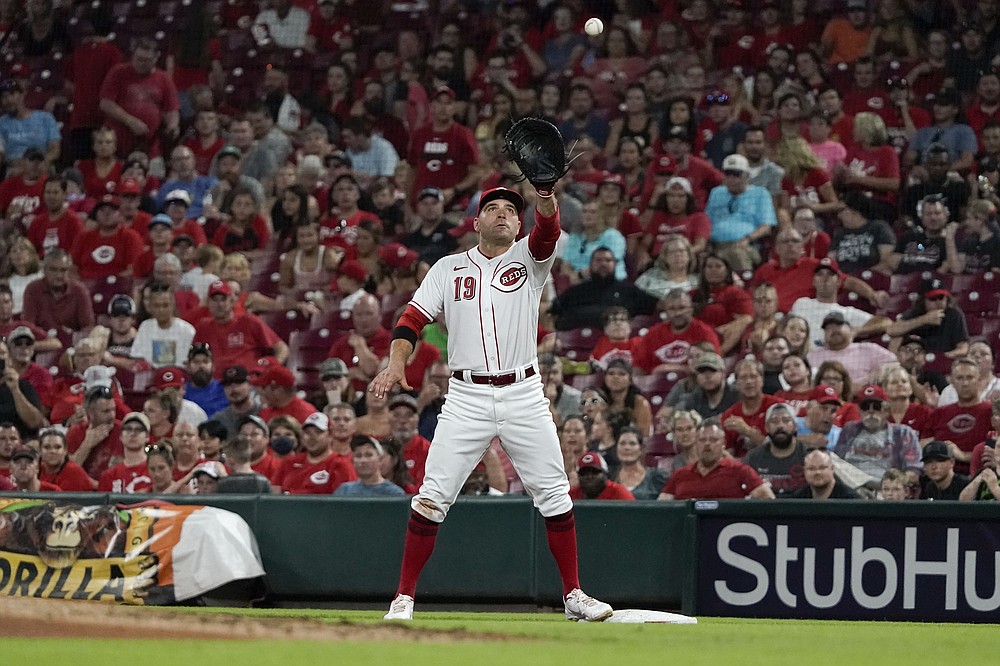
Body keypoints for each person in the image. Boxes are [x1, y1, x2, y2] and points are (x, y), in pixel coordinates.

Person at [370, 185, 613, 622]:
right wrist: (394, 364)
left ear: (519, 224)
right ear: (476, 222)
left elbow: (549, 229)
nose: (502, 214)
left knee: (555, 494)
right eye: (492, 209)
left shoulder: (530, 259)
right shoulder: (447, 268)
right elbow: (411, 318)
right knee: (431, 497)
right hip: (466, 396)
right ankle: (403, 598)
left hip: (523, 392)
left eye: (509, 210)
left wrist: (544, 195)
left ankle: (573, 594)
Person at [98, 38, 180, 157]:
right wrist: (130, 121)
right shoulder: (118, 72)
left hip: (150, 144)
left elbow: (171, 109)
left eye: (147, 60)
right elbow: (105, 103)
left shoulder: (164, 78)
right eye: (139, 59)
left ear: (155, 59)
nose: (141, 63)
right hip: (118, 141)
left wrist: (172, 127)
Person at [658, 418, 776, 500]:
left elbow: (768, 499)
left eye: (713, 440)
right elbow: (661, 507)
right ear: (696, 443)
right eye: (702, 440)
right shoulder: (680, 475)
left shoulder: (741, 471)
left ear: (723, 444)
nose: (707, 444)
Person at [548, 248, 658, 331]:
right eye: (598, 260)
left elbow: (656, 305)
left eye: (608, 260)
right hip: (576, 341)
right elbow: (552, 312)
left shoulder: (629, 289)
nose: (603, 264)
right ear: (590, 265)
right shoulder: (576, 291)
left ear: (615, 264)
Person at [193, 280, 288, 376]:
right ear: (208, 302)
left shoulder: (248, 321)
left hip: (248, 381)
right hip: (217, 384)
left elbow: (282, 348)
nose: (219, 304)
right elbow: (194, 358)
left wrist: (271, 370)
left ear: (232, 301)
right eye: (215, 300)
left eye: (223, 299)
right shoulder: (203, 326)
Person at [704, 153, 778, 272]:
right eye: (728, 174)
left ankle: (746, 286)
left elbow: (766, 227)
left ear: (747, 176)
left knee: (736, 253)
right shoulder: (716, 192)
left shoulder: (760, 193)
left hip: (746, 244)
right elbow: (706, 221)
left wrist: (747, 238)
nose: (732, 179)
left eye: (737, 175)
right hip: (715, 244)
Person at [834, 384, 923, 481]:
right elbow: (837, 463)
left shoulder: (903, 433)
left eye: (876, 407)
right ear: (859, 411)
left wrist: (893, 486)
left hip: (886, 489)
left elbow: (914, 470)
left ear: (886, 411)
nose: (871, 411)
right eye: (865, 407)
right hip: (851, 488)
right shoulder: (849, 430)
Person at [633, 289, 720, 375]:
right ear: (666, 312)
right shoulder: (653, 334)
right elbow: (639, 368)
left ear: (691, 309)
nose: (677, 313)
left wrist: (672, 368)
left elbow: (714, 366)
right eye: (672, 309)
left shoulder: (705, 332)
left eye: (682, 308)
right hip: (656, 386)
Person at [273, 412, 355, 494]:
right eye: (308, 432)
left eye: (318, 432)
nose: (312, 437)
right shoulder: (288, 463)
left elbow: (345, 501)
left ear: (330, 434)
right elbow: (274, 496)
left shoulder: (340, 465)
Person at [807, 311, 897, 387]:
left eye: (838, 325)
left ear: (850, 329)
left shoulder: (867, 349)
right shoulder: (813, 356)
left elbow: (896, 363)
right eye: (828, 328)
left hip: (865, 396)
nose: (834, 330)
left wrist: (882, 367)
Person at [721, 357, 786, 457]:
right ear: (736, 383)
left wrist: (747, 431)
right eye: (743, 377)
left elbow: (782, 447)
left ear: (762, 380)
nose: (749, 381)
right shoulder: (730, 415)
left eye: (753, 376)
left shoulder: (777, 406)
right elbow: (729, 454)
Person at [744, 402, 810, 498]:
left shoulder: (808, 455)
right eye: (774, 421)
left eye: (786, 420)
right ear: (766, 427)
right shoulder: (753, 457)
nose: (780, 425)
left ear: (795, 426)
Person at [21, 249, 94, 333]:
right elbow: (28, 325)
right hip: (42, 341)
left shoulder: (79, 290)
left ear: (69, 271)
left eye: (63, 270)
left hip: (73, 341)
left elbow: (87, 326)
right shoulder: (33, 289)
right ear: (44, 270)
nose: (59, 275)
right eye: (53, 270)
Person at [97, 412, 152, 493]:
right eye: (128, 429)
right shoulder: (108, 476)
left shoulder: (155, 470)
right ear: (121, 436)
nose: (133, 433)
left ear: (147, 437)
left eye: (139, 429)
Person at [335, 435, 407, 496]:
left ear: (380, 459)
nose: (363, 460)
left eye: (369, 455)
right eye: (358, 455)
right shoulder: (344, 491)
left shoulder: (394, 493)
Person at [673, 352, 739, 420]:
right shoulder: (692, 399)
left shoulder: (738, 396)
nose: (707, 376)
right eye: (702, 371)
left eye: (712, 370)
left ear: (723, 373)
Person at [612, 427, 667, 500]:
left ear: (641, 449)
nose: (627, 448)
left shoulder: (657, 477)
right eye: (622, 443)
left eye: (632, 444)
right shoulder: (609, 477)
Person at [791, 448, 861, 499]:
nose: (817, 472)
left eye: (822, 468)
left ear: (832, 469)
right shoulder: (798, 498)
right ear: (804, 471)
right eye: (811, 468)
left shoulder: (850, 499)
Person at [569, 451, 635, 501]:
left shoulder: (619, 494)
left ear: (605, 474)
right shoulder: (572, 495)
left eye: (595, 472)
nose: (589, 476)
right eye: (584, 473)